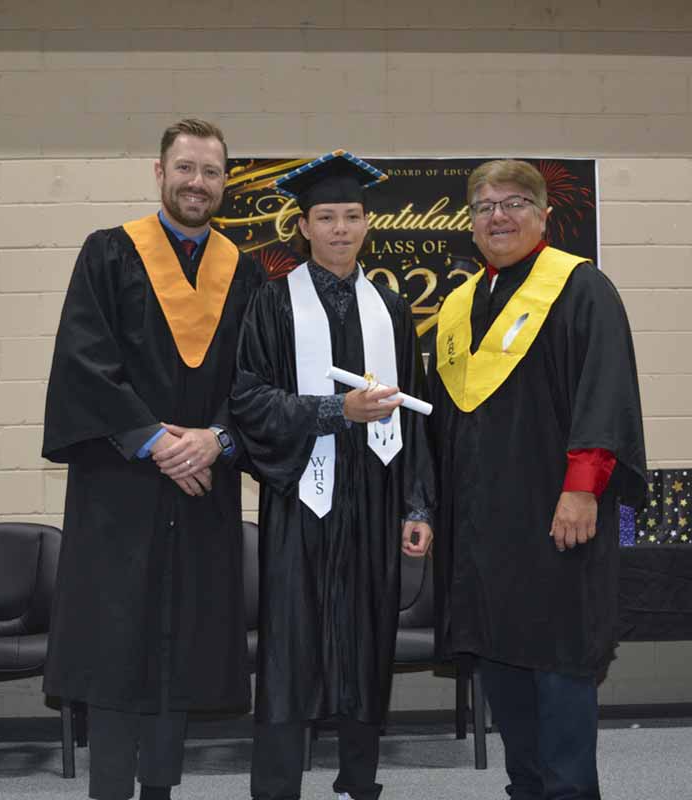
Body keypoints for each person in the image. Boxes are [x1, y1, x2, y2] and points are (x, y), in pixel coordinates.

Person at [41, 118, 265, 800]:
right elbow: (85, 361)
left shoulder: (247, 272)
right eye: (186, 168)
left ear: (226, 181)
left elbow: (259, 379)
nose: (198, 183)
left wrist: (219, 438)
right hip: (121, 489)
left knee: (184, 651)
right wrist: (156, 440)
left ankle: (162, 790)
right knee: (114, 649)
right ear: (159, 172)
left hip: (203, 493)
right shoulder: (108, 254)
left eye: (212, 171)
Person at [429, 159, 647, 800]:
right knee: (501, 666)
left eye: (515, 202)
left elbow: (603, 393)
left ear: (545, 214)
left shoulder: (581, 289)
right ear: (470, 223)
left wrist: (582, 488)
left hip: (556, 520)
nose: (499, 216)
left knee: (558, 668)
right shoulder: (463, 304)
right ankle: (526, 789)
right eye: (484, 206)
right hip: (481, 527)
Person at [230, 151, 435, 800]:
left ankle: (358, 780)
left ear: (368, 224)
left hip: (375, 500)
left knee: (366, 639)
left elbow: (414, 416)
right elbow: (248, 402)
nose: (340, 228)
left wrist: (417, 506)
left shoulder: (392, 311)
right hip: (301, 495)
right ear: (305, 227)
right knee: (291, 650)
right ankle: (277, 788)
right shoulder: (272, 305)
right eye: (327, 217)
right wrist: (333, 410)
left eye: (352, 216)